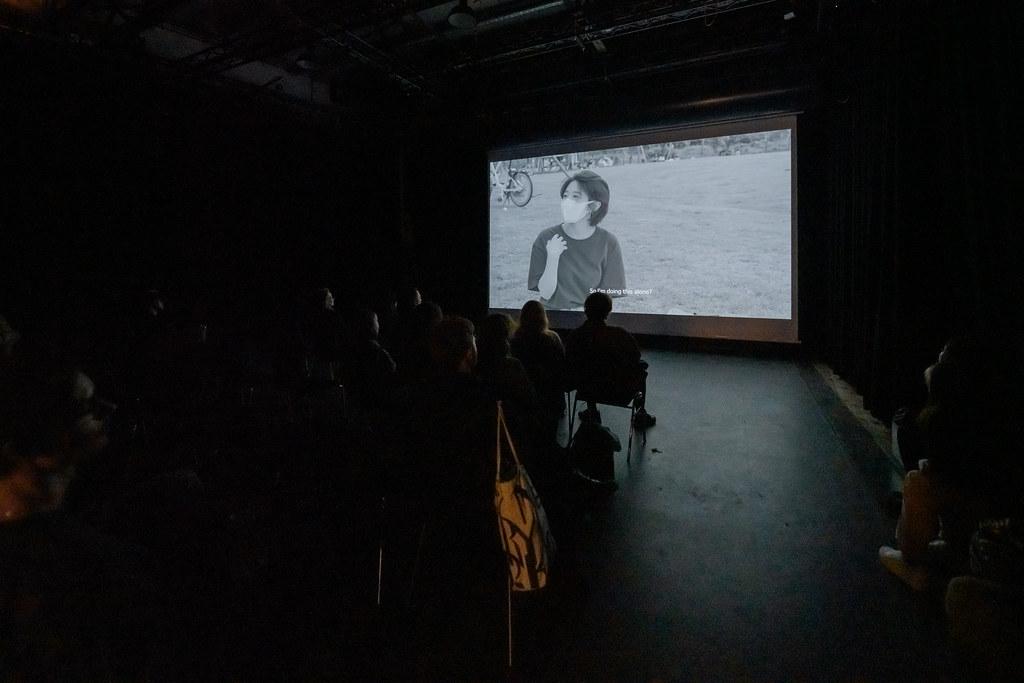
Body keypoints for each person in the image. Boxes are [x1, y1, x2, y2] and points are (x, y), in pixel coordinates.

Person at [879, 335, 1024, 591]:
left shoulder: (944, 422)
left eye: (941, 360)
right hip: (993, 532)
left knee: (916, 484)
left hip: (989, 543)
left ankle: (919, 571)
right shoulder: (1001, 414)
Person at [527, 170, 626, 310]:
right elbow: (546, 293)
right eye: (565, 196)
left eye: (576, 196)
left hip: (590, 318)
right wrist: (553, 257)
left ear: (594, 206)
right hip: (552, 317)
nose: (567, 202)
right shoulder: (546, 237)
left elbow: (606, 299)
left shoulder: (608, 243)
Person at [565, 292, 655, 428]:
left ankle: (592, 411)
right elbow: (635, 357)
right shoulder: (620, 335)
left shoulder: (575, 337)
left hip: (586, 391)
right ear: (608, 312)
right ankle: (640, 414)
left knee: (590, 370)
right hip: (620, 393)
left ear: (586, 311)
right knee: (641, 369)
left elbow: (571, 366)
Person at [511, 300, 568, 443]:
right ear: (543, 317)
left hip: (523, 401)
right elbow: (562, 369)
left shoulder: (515, 342)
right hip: (551, 400)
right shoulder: (553, 339)